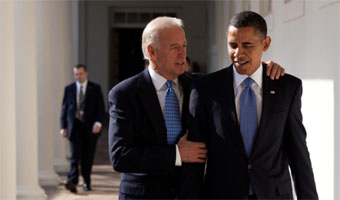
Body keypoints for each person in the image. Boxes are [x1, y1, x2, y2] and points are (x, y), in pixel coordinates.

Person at [108, 16, 285, 200]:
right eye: (174, 47)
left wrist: (262, 69)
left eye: (184, 45)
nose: (183, 54)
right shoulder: (124, 94)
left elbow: (238, 74)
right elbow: (120, 156)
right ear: (152, 52)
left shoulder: (201, 85)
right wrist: (177, 154)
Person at [187, 11, 318, 199]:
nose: (238, 53)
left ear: (265, 44)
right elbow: (195, 161)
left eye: (247, 45)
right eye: (232, 45)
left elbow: (298, 154)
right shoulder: (205, 88)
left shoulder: (287, 87)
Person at [60, 64, 105, 193]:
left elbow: (101, 108)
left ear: (86, 74)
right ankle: (72, 181)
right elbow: (64, 109)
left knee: (87, 157)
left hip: (90, 128)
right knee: (74, 156)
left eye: (80, 73)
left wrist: (98, 123)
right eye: (76, 74)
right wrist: (63, 126)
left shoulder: (95, 89)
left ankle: (86, 181)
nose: (78, 76)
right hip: (74, 127)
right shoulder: (69, 89)